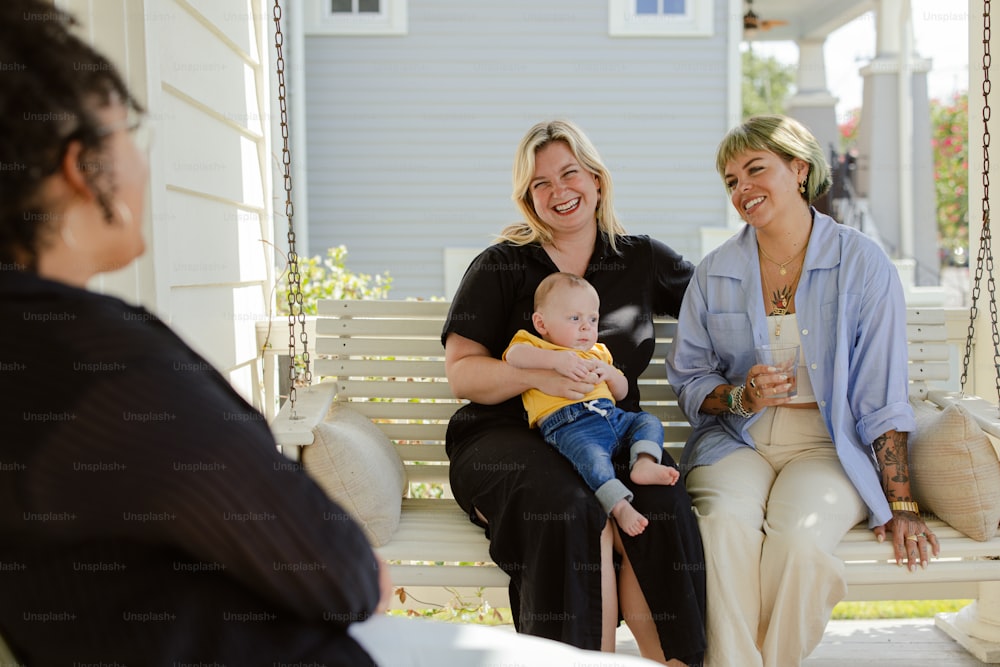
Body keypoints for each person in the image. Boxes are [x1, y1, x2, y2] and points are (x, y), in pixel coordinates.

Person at [0, 3, 668, 665]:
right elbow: (338, 569)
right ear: (75, 167)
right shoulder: (109, 364)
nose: (145, 163)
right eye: (130, 133)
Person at [665, 114, 942, 667]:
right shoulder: (716, 271)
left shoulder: (862, 264)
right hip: (737, 438)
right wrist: (742, 395)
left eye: (755, 169)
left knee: (799, 545)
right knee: (721, 530)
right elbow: (691, 380)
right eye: (731, 181)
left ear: (800, 169)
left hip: (826, 441)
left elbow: (881, 392)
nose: (742, 188)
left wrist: (902, 501)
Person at [443, 119, 706, 666]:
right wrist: (537, 375)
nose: (559, 192)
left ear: (597, 179)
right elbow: (464, 372)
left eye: (569, 174)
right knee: (566, 508)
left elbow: (718, 298)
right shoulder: (501, 265)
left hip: (608, 432)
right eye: (541, 183)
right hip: (508, 437)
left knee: (660, 504)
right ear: (527, 198)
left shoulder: (640, 258)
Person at [504, 272, 680, 536]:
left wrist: (610, 374)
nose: (586, 327)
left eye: (593, 319)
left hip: (611, 415)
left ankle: (644, 462)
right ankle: (620, 507)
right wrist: (555, 361)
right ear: (541, 323)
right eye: (574, 319)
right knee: (593, 462)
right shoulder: (533, 344)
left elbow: (621, 392)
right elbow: (513, 357)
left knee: (647, 421)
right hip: (569, 425)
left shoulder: (598, 351)